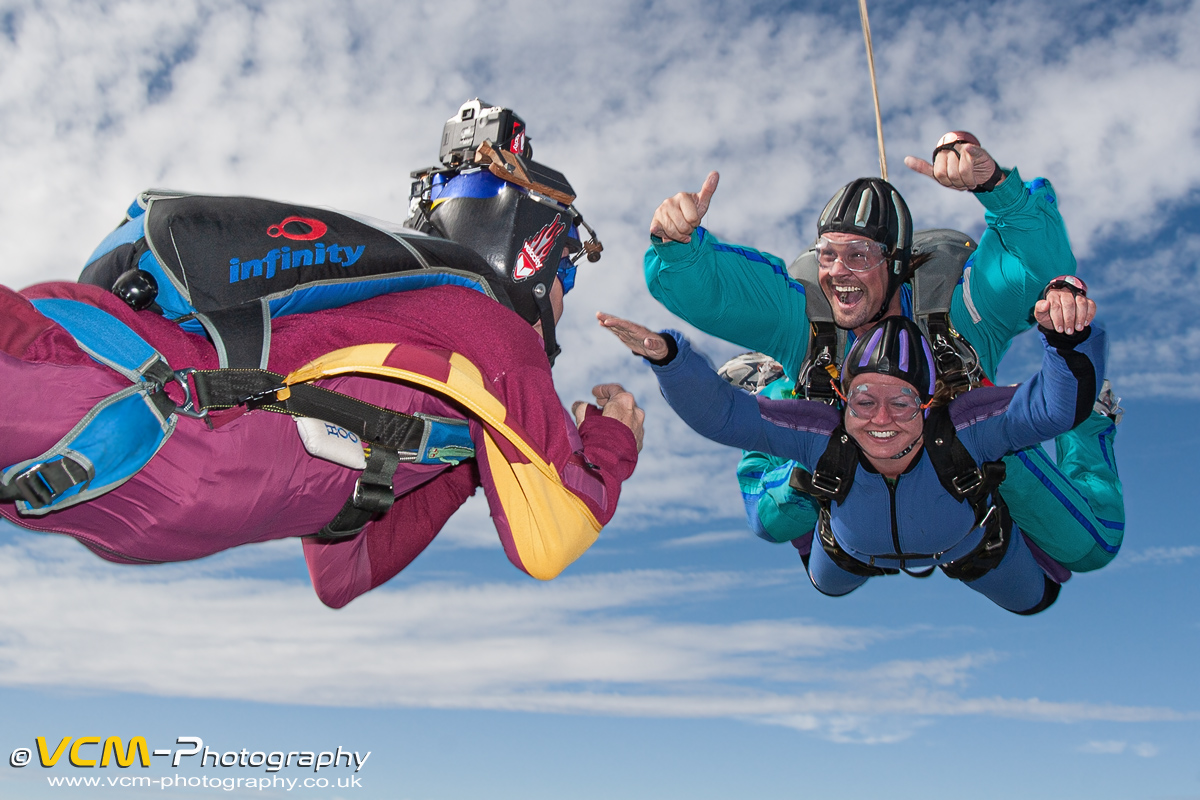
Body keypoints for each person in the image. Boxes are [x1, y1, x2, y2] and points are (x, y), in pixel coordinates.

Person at [0, 102, 643, 608]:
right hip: (110, 392)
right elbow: (554, 538)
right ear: (532, 255)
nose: (565, 297)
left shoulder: (454, 390)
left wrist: (474, 463)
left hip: (105, 464)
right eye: (567, 273)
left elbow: (341, 574)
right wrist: (613, 442)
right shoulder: (487, 328)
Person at [643, 132, 1123, 574]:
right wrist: (678, 245)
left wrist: (996, 186)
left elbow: (1034, 265)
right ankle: (776, 384)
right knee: (778, 524)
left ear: (895, 263)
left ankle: (1090, 420)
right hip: (848, 470)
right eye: (828, 253)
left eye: (859, 256)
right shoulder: (808, 317)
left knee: (1088, 547)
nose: (838, 272)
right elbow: (715, 294)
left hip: (968, 461)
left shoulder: (959, 314)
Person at [598, 280, 1102, 614]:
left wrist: (1067, 341)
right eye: (864, 401)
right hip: (845, 554)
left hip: (972, 551)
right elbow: (725, 417)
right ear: (841, 397)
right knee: (811, 568)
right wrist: (670, 359)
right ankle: (775, 383)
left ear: (930, 403)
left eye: (902, 403)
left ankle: (1099, 434)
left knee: (1036, 599)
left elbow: (1054, 410)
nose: (881, 421)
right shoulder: (825, 433)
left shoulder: (966, 427)